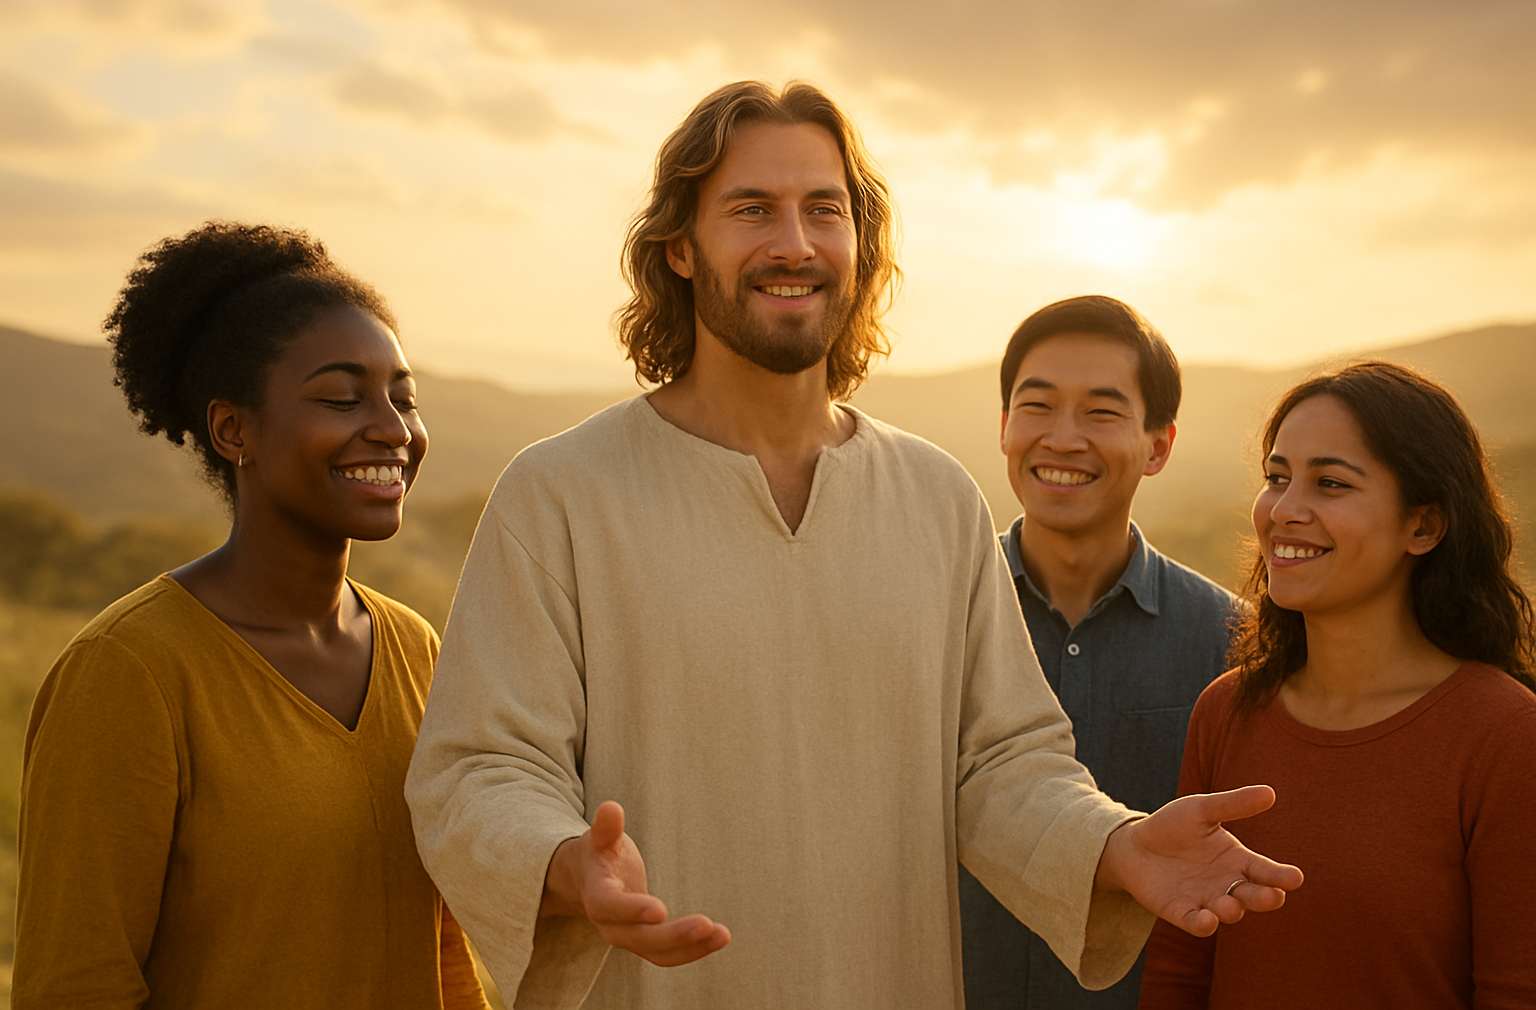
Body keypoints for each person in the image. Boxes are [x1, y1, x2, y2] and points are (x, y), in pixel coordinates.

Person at [405, 80, 1301, 1010]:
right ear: (679, 246)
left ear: (858, 245)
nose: (794, 243)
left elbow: (1000, 765)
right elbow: (479, 768)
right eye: (752, 209)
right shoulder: (559, 494)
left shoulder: (936, 499)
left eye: (823, 210)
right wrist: (562, 864)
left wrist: (1115, 846)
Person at [13, 222, 489, 1010]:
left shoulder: (414, 648)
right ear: (234, 430)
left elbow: (437, 947)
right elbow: (75, 985)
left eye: (404, 398)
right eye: (341, 398)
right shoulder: (130, 673)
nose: (393, 429)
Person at [1139, 361, 1536, 1009]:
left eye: (1329, 483)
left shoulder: (1506, 737)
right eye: (1276, 478)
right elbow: (1182, 972)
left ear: (1424, 526)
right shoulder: (1228, 711)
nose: (1285, 510)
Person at [960, 296, 1235, 1010]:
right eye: (1038, 406)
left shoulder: (1230, 641)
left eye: (1103, 412)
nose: (1063, 437)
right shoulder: (932, 621)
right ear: (1003, 428)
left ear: (1159, 445)